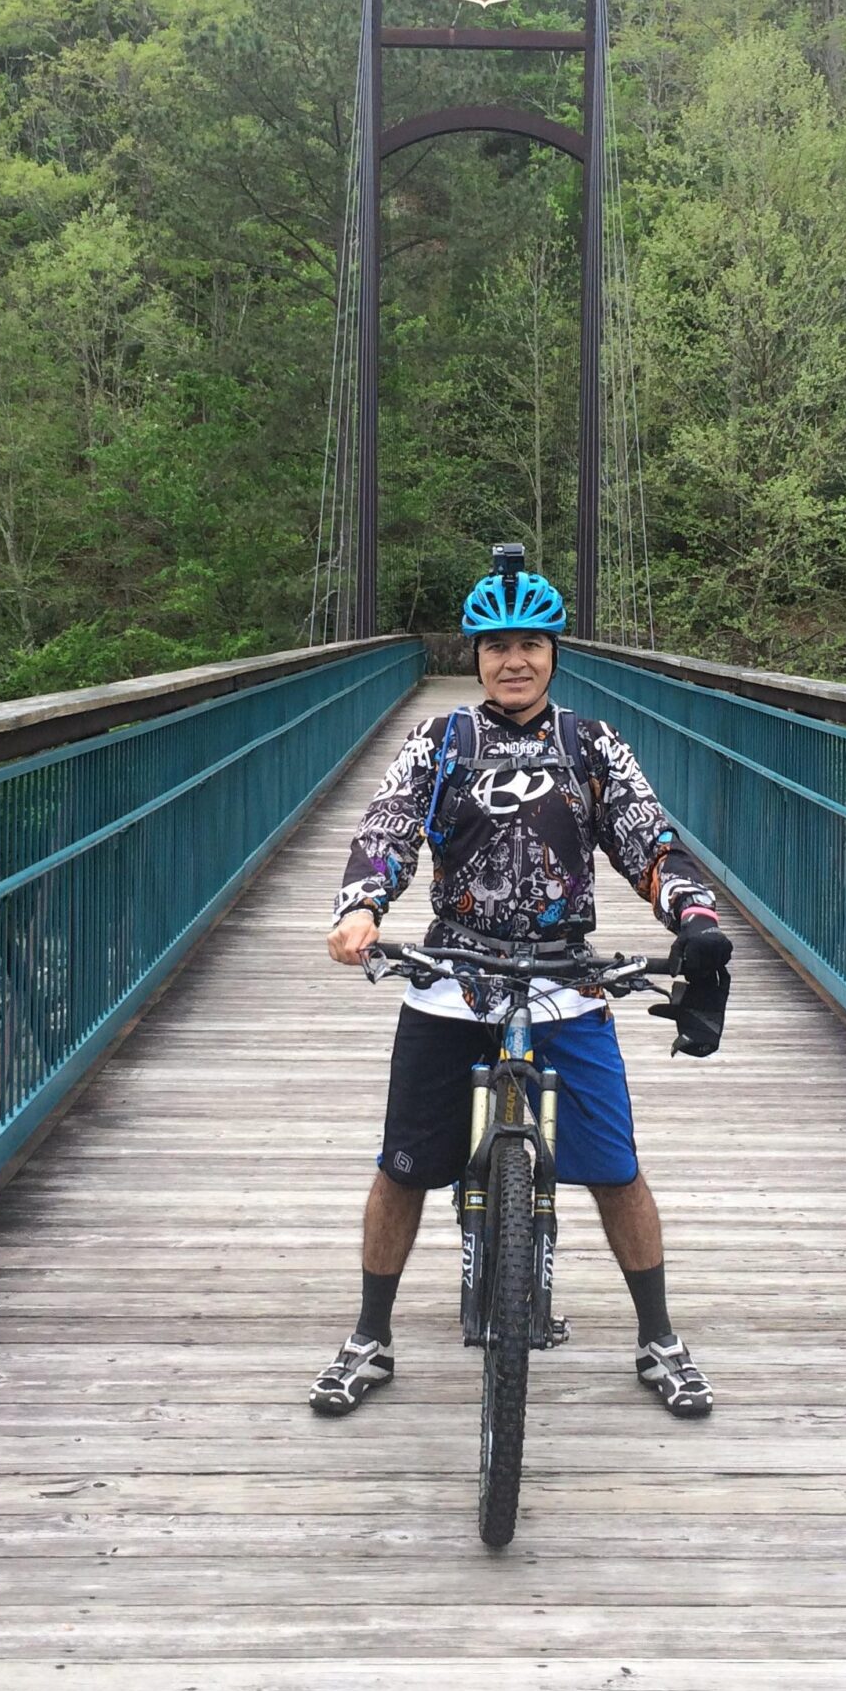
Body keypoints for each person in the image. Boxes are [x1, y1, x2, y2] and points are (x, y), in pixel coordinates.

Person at [311, 547, 733, 1422]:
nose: (514, 659)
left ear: (554, 653)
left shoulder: (591, 745)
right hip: (453, 970)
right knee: (401, 1168)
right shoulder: (441, 740)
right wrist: (362, 907)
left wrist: (692, 916)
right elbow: (387, 828)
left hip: (564, 974)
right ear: (475, 655)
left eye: (531, 644)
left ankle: (659, 1336)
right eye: (497, 643)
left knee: (616, 1169)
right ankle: (369, 1334)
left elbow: (650, 841)